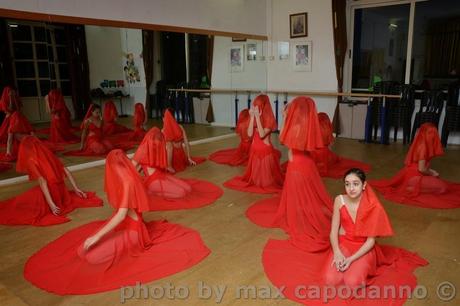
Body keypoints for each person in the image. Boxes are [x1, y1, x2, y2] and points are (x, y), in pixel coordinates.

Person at [24, 149, 210, 294]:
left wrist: (96, 237)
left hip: (133, 233)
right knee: (83, 251)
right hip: (131, 227)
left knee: (90, 255)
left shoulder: (127, 181)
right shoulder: (126, 176)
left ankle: (100, 244)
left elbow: (121, 215)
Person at [261, 168, 427, 305]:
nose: (351, 188)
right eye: (347, 184)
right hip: (344, 244)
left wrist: (350, 260)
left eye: (355, 184)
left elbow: (371, 241)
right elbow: (333, 232)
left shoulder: (373, 207)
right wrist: (338, 253)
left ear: (364, 185)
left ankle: (361, 268)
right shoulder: (339, 200)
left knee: (353, 283)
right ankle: (343, 263)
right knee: (330, 280)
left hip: (363, 248)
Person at [246, 97, 332, 251]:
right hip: (304, 165)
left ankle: (302, 218)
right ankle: (304, 215)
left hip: (298, 166)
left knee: (301, 194)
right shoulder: (306, 125)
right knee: (305, 195)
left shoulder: (297, 127)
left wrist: (285, 118)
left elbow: (283, 139)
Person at [0, 136, 102, 226]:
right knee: (23, 201)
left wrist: (51, 204)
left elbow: (43, 182)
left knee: (20, 204)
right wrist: (76, 188)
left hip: (51, 193)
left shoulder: (31, 160)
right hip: (62, 192)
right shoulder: (49, 156)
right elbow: (66, 171)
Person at [370, 122, 460, 208]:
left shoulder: (421, 143)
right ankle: (410, 188)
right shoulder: (423, 147)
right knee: (443, 188)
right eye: (432, 133)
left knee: (442, 186)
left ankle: (409, 187)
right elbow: (421, 169)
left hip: (411, 174)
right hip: (415, 176)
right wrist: (432, 172)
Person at [131, 127, 223, 210]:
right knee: (181, 193)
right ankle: (151, 191)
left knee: (188, 188)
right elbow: (131, 168)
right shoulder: (142, 150)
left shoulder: (157, 147)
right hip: (153, 180)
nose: (158, 142)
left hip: (161, 176)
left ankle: (153, 189)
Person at [224, 94, 283, 193]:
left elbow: (261, 135)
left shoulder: (270, 119)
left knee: (266, 183)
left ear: (263, 106)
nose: (256, 108)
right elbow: (249, 134)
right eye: (255, 106)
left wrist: (257, 117)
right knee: (256, 181)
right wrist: (252, 118)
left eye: (258, 106)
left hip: (265, 152)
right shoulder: (255, 117)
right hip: (254, 151)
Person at [309, 112, 371, 178]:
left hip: (314, 153)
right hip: (323, 153)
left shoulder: (313, 127)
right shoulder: (324, 128)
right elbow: (328, 142)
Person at [64, 104, 133, 156]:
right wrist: (82, 145)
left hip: (101, 138)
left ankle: (101, 144)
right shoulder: (88, 121)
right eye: (96, 112)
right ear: (92, 112)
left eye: (99, 112)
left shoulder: (100, 119)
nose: (98, 114)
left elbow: (101, 128)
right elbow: (84, 133)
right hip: (92, 139)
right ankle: (93, 146)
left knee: (111, 147)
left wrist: (104, 138)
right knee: (101, 150)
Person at [162, 108, 205, 173]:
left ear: (164, 119)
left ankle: (169, 166)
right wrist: (189, 157)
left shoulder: (163, 130)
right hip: (181, 157)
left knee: (167, 146)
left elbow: (166, 148)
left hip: (173, 160)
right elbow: (187, 143)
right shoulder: (180, 127)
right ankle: (169, 165)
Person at [0, 86, 34, 161]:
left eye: (13, 92)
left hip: (16, 118)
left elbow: (18, 110)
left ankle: (11, 152)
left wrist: (14, 98)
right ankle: (9, 152)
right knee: (9, 137)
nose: (12, 93)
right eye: (11, 92)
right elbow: (10, 109)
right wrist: (11, 99)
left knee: (16, 136)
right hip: (10, 119)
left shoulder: (16, 98)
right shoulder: (5, 99)